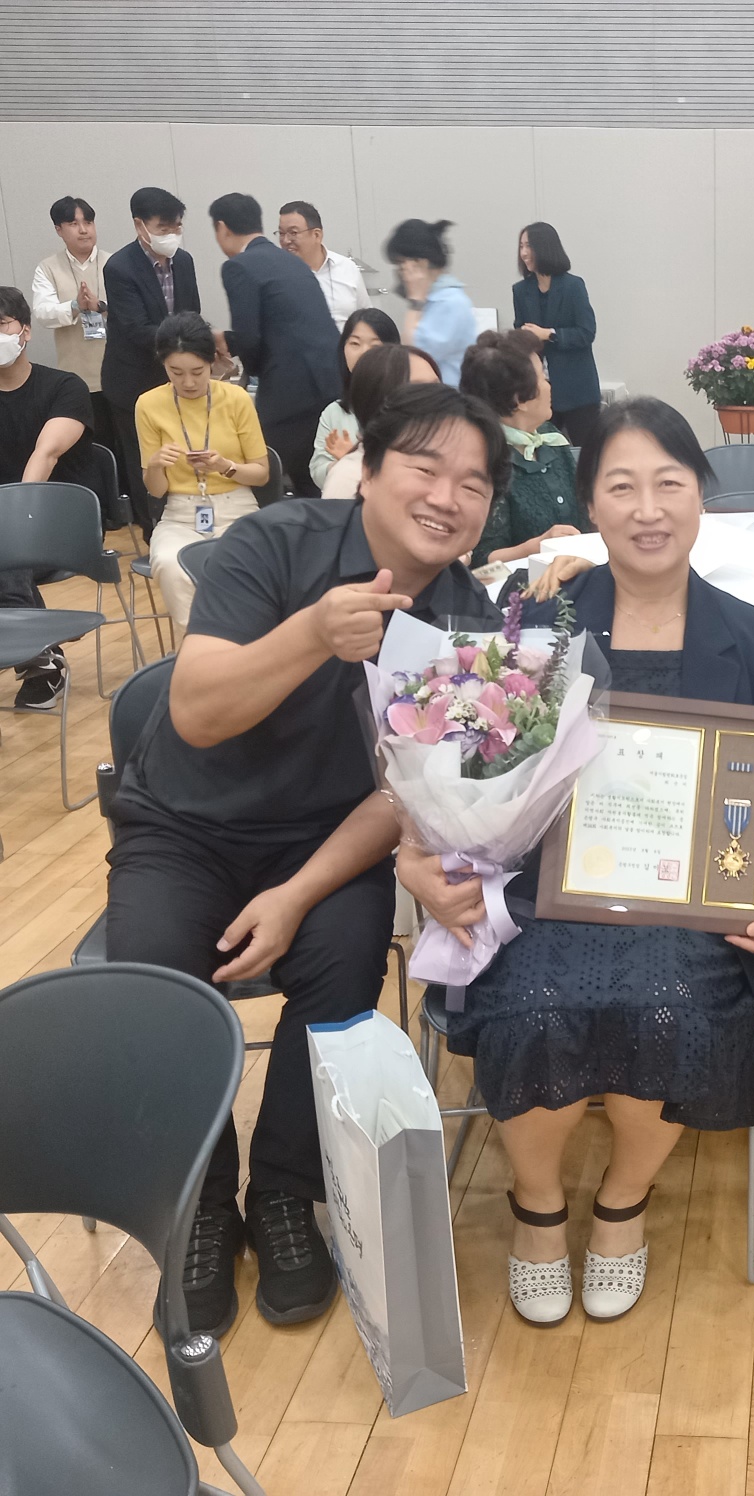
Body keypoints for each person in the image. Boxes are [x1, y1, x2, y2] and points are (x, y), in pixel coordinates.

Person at [400, 396, 754, 1328]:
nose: (648, 508)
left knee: (669, 1008)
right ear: (588, 503)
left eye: (669, 484)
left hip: (691, 899)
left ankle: (624, 1200)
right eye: (622, 487)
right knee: (531, 1007)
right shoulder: (536, 614)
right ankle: (537, 1205)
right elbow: (459, 755)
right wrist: (417, 855)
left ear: (701, 497)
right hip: (542, 887)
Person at [105, 382, 508, 1338]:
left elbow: (406, 794)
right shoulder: (273, 545)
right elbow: (197, 711)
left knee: (344, 962)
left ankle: (284, 1190)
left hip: (327, 838)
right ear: (365, 471)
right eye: (425, 468)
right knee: (154, 982)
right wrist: (314, 634)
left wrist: (295, 894)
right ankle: (203, 1203)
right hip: (185, 825)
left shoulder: (468, 624)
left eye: (474, 484)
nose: (447, 497)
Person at [137, 312, 270, 630]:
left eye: (197, 372)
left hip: (237, 509)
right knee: (169, 562)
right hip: (180, 515)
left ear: (212, 361)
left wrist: (226, 466)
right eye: (176, 372)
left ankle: (242, 643)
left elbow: (262, 473)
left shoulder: (236, 398)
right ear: (163, 365)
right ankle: (197, 643)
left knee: (241, 563)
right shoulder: (148, 404)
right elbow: (156, 490)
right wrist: (155, 464)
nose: (188, 382)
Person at [208, 192, 343, 498]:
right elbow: (284, 325)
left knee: (264, 475)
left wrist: (247, 367)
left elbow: (251, 337)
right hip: (328, 382)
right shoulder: (291, 261)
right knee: (317, 479)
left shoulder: (239, 266)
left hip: (289, 392)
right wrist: (229, 340)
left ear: (222, 228)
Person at [0, 284, 94, 709]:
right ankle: (40, 656)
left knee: (7, 545)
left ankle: (38, 660)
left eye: (2, 324)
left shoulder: (64, 386)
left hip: (56, 522)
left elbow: (47, 452)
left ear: (25, 330)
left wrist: (17, 513)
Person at [102, 186, 201, 536]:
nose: (171, 234)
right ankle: (153, 530)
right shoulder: (119, 267)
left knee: (181, 451)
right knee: (143, 459)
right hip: (133, 382)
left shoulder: (184, 261)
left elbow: (192, 312)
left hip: (177, 379)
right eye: (163, 228)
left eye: (176, 227)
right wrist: (186, 338)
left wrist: (201, 341)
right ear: (139, 225)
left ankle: (186, 522)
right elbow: (136, 328)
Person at [460, 328, 586, 564]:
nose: (549, 384)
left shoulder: (549, 435)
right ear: (519, 400)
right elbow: (480, 560)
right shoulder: (485, 459)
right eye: (542, 377)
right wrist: (534, 547)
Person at [31, 195, 113, 458]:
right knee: (88, 450)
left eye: (88, 222)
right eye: (74, 223)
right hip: (76, 379)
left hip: (117, 374)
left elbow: (131, 309)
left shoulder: (115, 263)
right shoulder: (47, 268)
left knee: (124, 448)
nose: (84, 230)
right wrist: (76, 306)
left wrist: (100, 306)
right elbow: (43, 313)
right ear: (59, 230)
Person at [513, 223, 601, 449]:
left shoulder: (573, 286)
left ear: (544, 247)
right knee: (544, 452)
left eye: (529, 246)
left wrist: (548, 334)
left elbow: (586, 332)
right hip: (539, 392)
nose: (524, 253)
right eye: (521, 246)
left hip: (577, 391)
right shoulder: (520, 291)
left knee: (586, 455)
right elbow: (519, 331)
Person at [320, 342, 442, 500]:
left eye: (437, 387)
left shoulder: (444, 461)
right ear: (381, 402)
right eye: (420, 391)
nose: (437, 399)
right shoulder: (350, 477)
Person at [310, 308, 401, 492]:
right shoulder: (334, 412)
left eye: (375, 345)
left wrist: (353, 458)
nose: (363, 353)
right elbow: (318, 471)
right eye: (355, 343)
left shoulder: (405, 409)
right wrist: (342, 464)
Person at [385, 218, 476, 386]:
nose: (400, 273)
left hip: (448, 396)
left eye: (401, 264)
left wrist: (415, 302)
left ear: (420, 263)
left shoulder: (451, 303)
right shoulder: (433, 300)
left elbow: (415, 355)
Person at [277, 200, 372, 327]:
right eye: (281, 233)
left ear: (317, 235)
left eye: (293, 233)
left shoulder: (347, 268)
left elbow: (367, 319)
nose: (285, 240)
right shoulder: (276, 275)